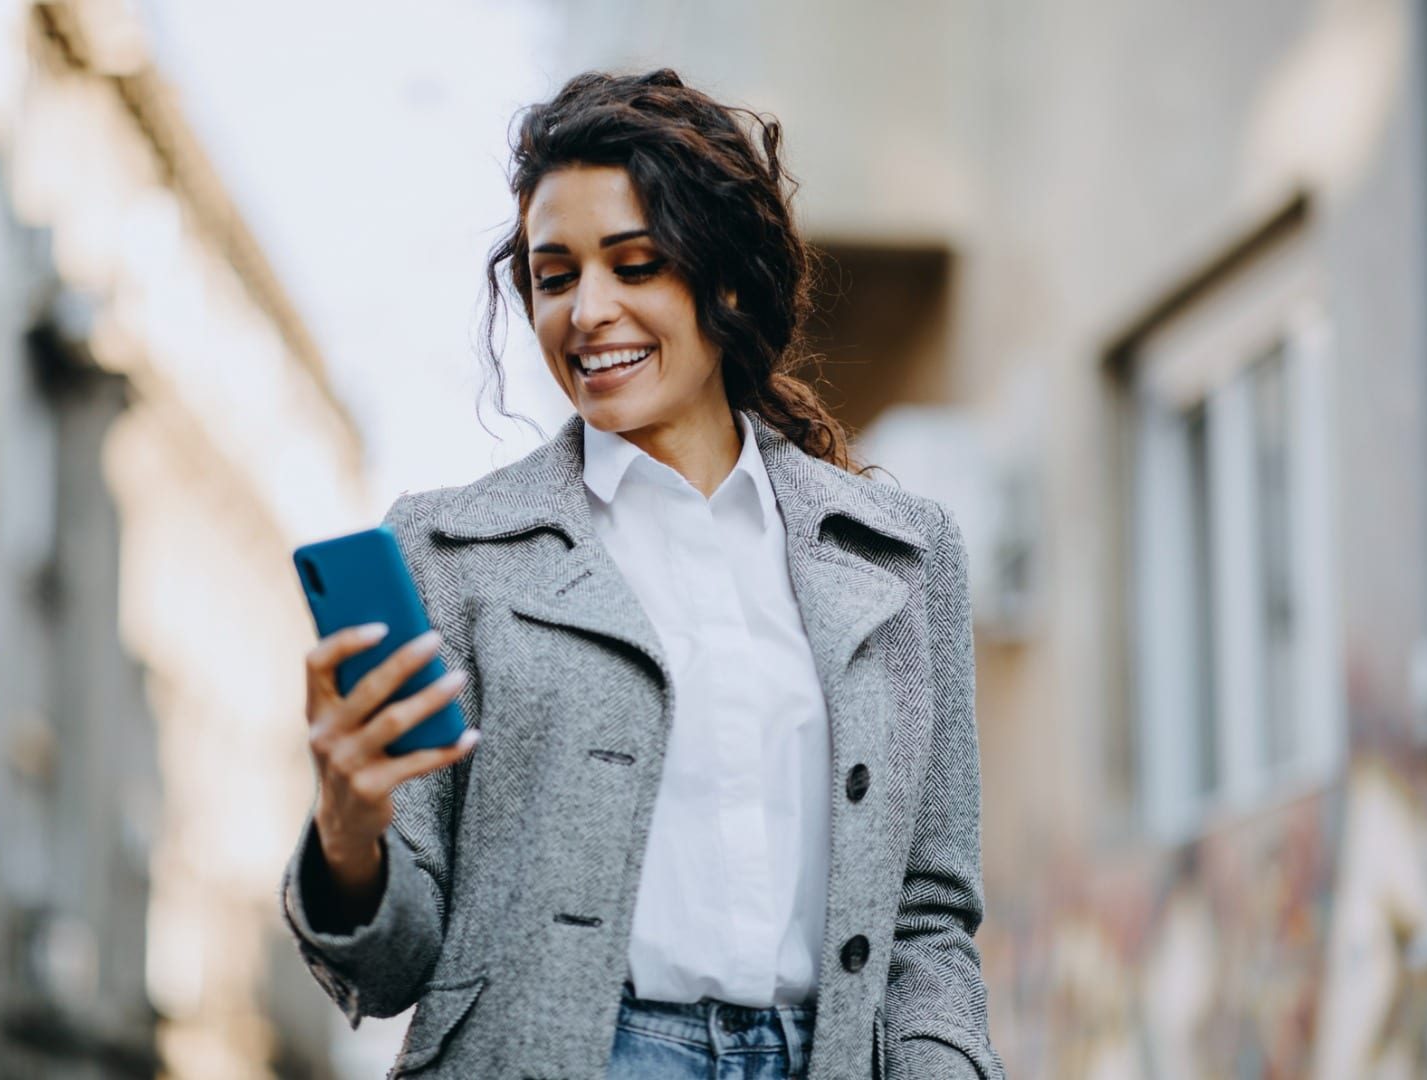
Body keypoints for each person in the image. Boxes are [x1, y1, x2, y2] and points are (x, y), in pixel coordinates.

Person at [282, 69, 1003, 1080]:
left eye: (635, 264)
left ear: (727, 280)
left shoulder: (900, 553)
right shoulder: (451, 552)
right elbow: (390, 968)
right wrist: (348, 829)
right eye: (555, 274)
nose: (589, 310)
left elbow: (927, 917)